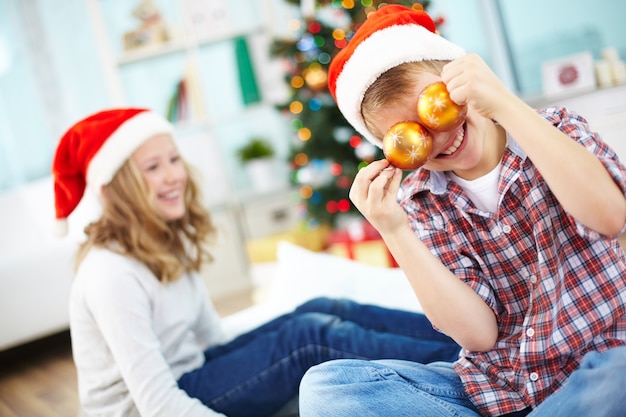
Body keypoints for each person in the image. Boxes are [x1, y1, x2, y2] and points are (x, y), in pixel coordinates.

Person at [297, 4, 626, 417]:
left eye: (436, 107)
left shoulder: (556, 128)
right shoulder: (421, 201)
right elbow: (479, 335)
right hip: (500, 389)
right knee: (328, 388)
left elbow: (610, 216)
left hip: (599, 364)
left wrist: (504, 103)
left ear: (462, 80)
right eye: (410, 137)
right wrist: (393, 229)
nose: (438, 137)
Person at [51, 107, 461, 417]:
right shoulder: (110, 273)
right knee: (307, 337)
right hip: (152, 407)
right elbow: (157, 402)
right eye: (152, 168)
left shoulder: (163, 238)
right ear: (116, 189)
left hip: (192, 376)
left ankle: (465, 344)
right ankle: (460, 375)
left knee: (321, 308)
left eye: (173, 160)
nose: (173, 175)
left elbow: (212, 342)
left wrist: (267, 343)